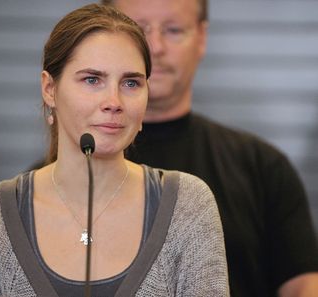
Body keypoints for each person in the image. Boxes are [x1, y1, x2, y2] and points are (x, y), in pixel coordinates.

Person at [0, 4, 229, 296]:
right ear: (49, 89)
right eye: (92, 80)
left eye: (131, 82)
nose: (114, 101)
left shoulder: (188, 205)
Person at [101, 0, 318, 296]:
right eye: (138, 31)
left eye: (173, 29)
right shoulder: (56, 181)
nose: (155, 46)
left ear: (201, 38)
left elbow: (304, 286)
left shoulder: (263, 167)